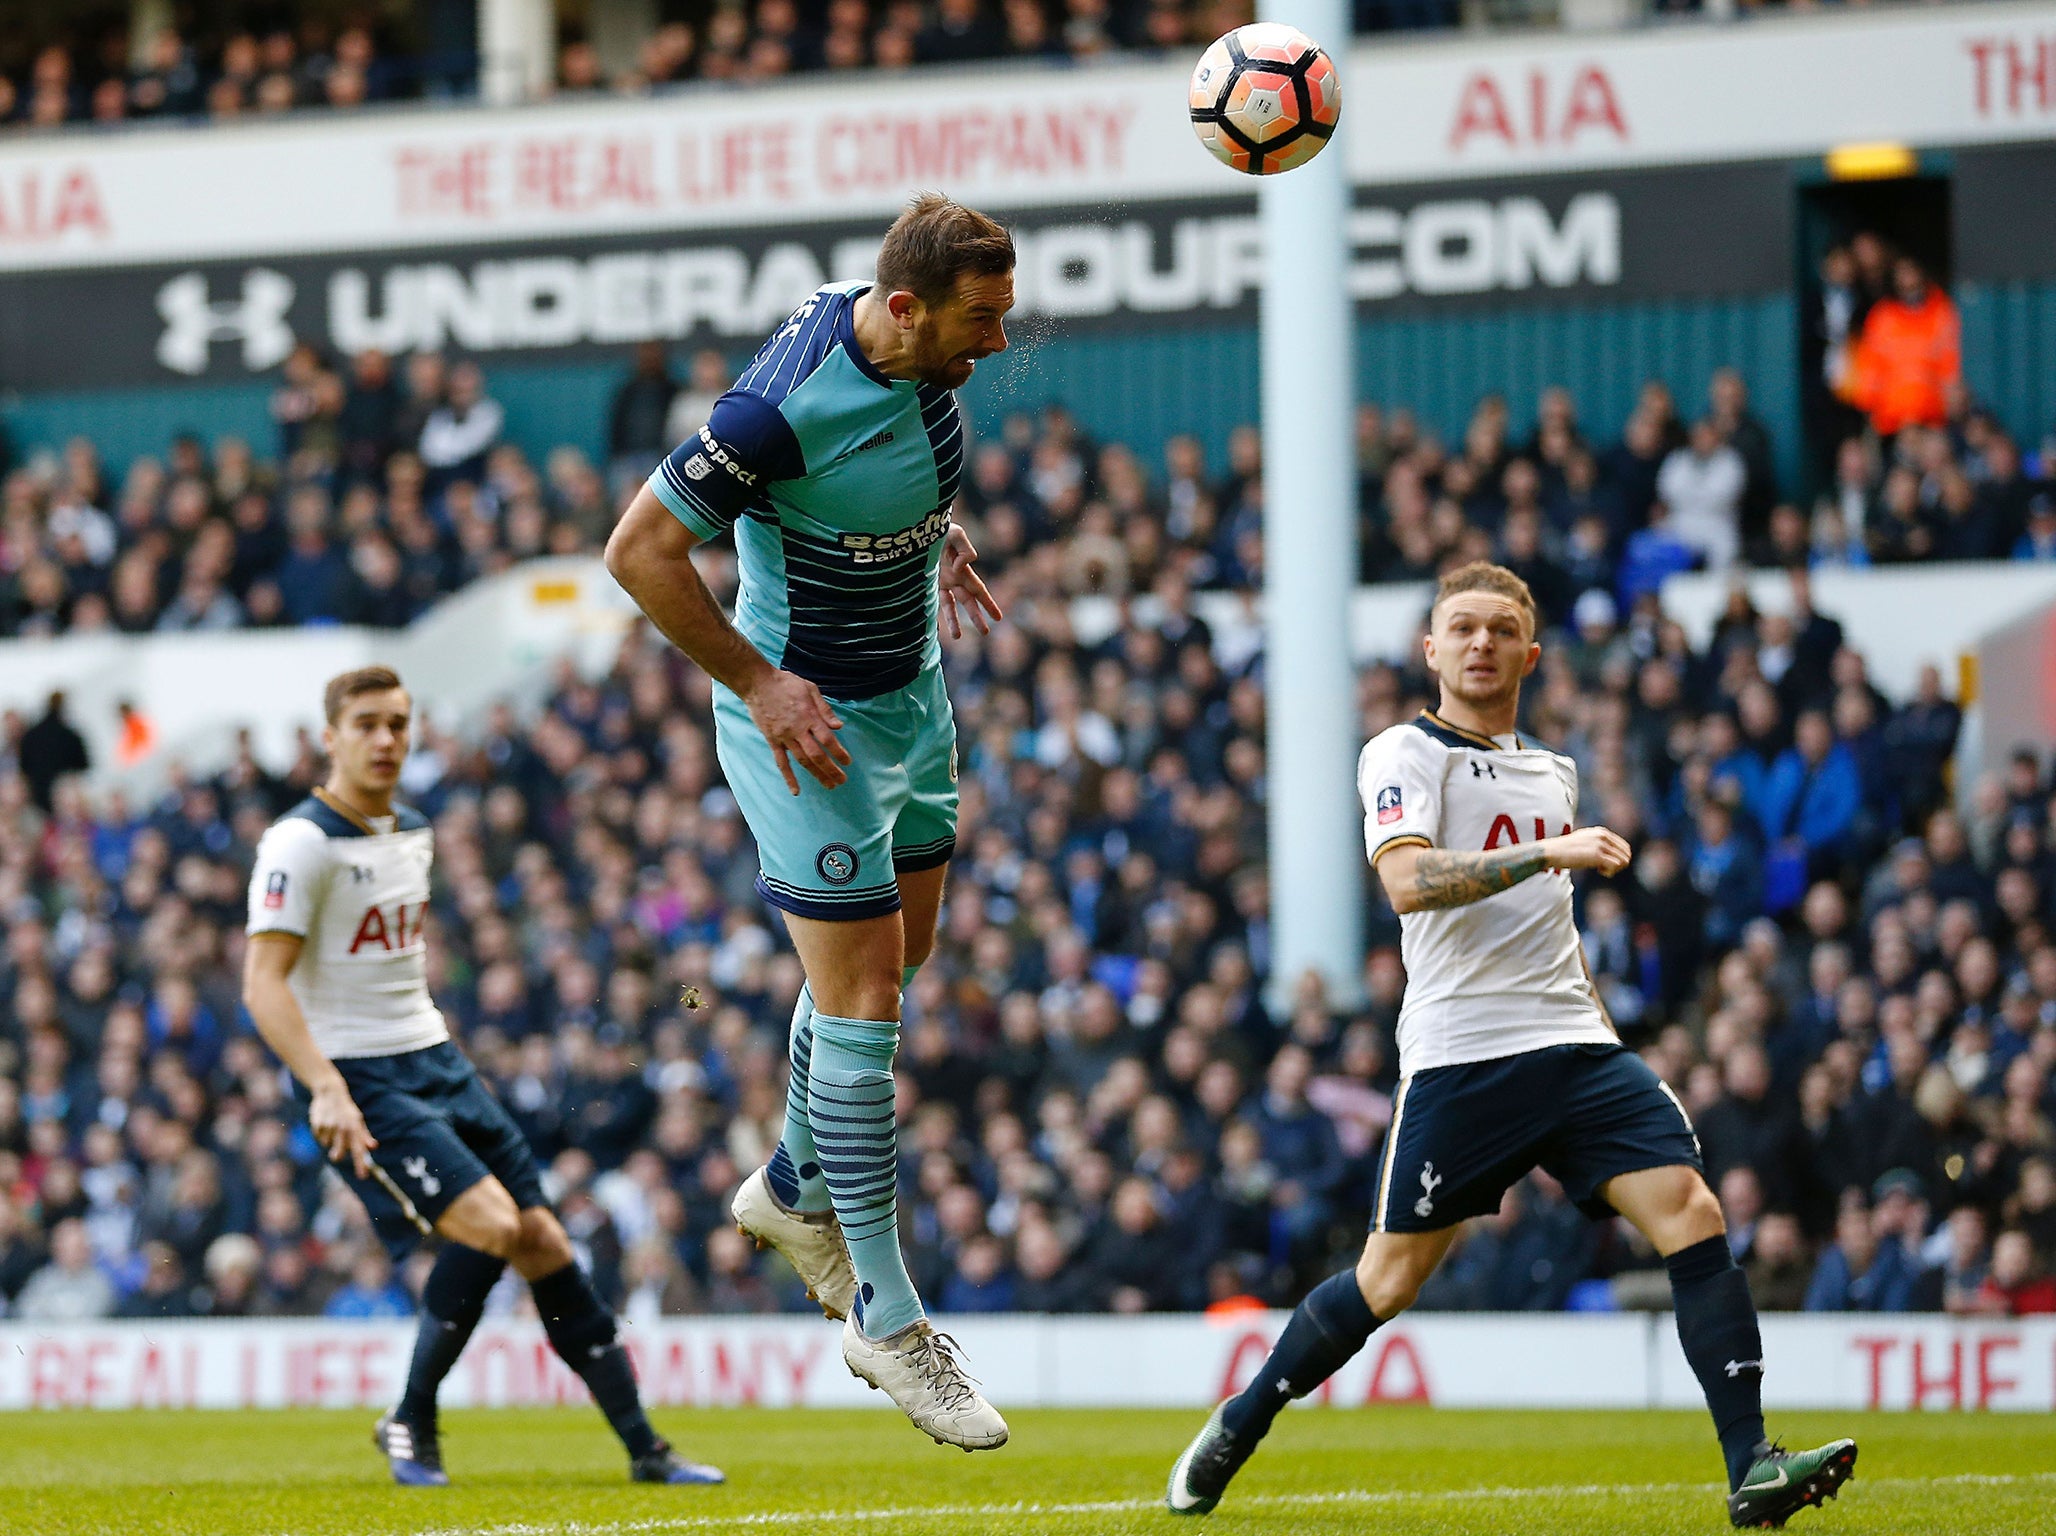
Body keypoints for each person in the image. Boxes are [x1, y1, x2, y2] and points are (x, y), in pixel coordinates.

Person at [1165, 563, 1856, 1528]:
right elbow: (1409, 884)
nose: (1481, 642)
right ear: (1431, 649)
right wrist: (1547, 851)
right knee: (1389, 1281)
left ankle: (1753, 1467)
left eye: (1500, 629)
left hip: (1575, 1045)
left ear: (1530, 654)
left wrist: (1600, 1024)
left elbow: (1549, 925)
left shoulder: (1552, 769)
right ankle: (1241, 1419)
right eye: (1462, 628)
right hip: (1467, 1055)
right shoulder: (1403, 752)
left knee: (1693, 1212)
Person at [606, 192, 1013, 1451]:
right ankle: (886, 1317)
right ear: (906, 309)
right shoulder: (768, 413)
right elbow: (637, 553)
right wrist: (759, 684)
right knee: (864, 1007)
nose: (994, 344)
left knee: (906, 956)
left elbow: (884, 454)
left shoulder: (892, 325)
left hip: (911, 697)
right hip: (809, 725)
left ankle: (789, 1189)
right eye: (978, 323)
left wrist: (929, 540)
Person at [242, 665, 721, 1490]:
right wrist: (325, 1086)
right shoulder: (300, 843)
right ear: (330, 737)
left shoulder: (415, 830)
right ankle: (412, 1416)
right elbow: (262, 984)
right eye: (366, 724)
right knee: (493, 1225)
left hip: (434, 1058)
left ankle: (646, 1448)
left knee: (544, 1242)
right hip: (358, 1076)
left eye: (399, 722)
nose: (386, 739)